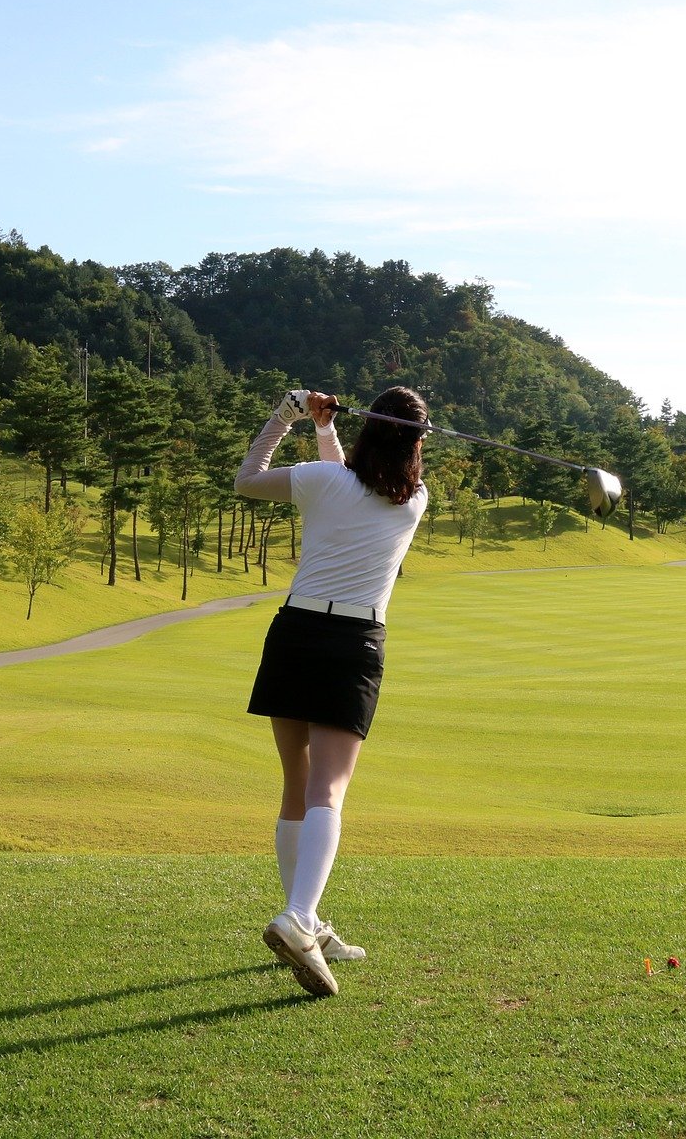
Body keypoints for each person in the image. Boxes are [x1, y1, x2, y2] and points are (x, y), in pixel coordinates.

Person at [234, 385, 430, 997]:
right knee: (328, 789)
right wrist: (324, 431)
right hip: (353, 642)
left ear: (366, 429)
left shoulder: (321, 480)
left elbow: (250, 478)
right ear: (417, 445)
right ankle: (297, 919)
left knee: (297, 782)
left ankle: (309, 921)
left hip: (294, 631)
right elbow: (356, 482)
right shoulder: (415, 500)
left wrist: (288, 415)